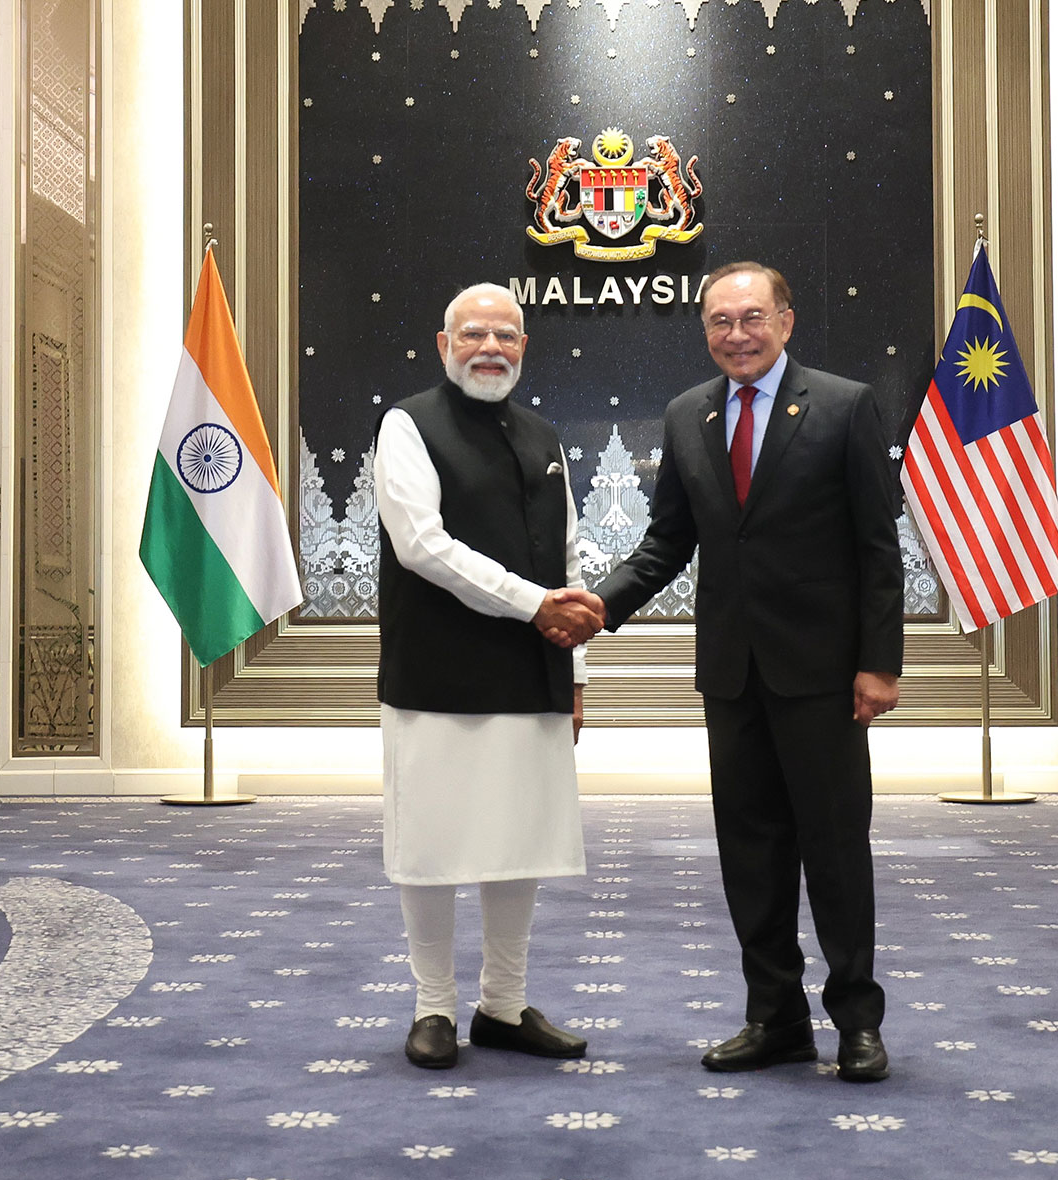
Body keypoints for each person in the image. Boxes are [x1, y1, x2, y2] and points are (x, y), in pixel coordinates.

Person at [578, 262, 905, 1082]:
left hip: (824, 675)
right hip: (732, 675)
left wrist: (878, 664)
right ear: (705, 332)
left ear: (785, 321)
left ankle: (857, 1022)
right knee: (750, 853)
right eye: (720, 321)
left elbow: (878, 549)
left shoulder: (845, 405)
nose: (737, 334)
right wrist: (595, 607)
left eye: (752, 317)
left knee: (835, 850)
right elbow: (666, 542)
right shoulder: (687, 415)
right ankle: (775, 1019)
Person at [374, 282, 605, 1069]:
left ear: (523, 348)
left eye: (505, 336)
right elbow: (421, 545)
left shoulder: (543, 436)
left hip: (532, 673)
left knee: (519, 840)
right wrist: (535, 605)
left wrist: (577, 675)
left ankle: (503, 1006)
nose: (490, 348)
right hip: (435, 673)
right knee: (431, 844)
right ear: (444, 346)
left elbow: (567, 561)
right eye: (473, 334)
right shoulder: (407, 424)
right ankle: (433, 1007)